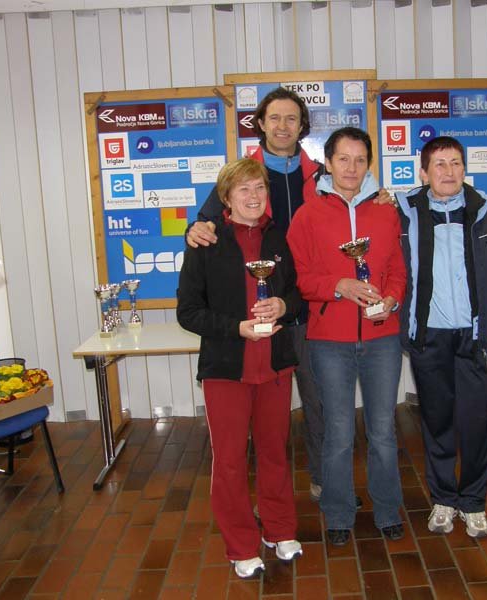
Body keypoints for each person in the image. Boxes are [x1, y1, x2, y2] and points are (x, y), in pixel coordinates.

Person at [186, 88, 388, 503]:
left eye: (291, 118)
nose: (282, 126)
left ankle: (323, 480)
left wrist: (383, 196)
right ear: (260, 123)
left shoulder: (319, 174)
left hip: (311, 311)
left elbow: (360, 201)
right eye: (274, 118)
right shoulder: (243, 174)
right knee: (259, 420)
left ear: (302, 126)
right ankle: (259, 494)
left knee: (319, 404)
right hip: (261, 318)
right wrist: (195, 228)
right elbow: (205, 223)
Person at [396, 136, 487, 539]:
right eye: (439, 164)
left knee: (475, 425)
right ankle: (442, 500)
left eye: (456, 162)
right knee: (437, 423)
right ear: (424, 173)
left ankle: (473, 503)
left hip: (476, 338)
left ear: (464, 169)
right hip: (430, 338)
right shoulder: (403, 213)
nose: (449, 171)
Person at [177, 159, 302, 579]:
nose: (253, 196)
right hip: (227, 368)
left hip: (275, 366)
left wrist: (283, 305)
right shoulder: (206, 241)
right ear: (226, 198)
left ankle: (279, 528)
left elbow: (297, 294)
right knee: (230, 460)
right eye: (243, 189)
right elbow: (187, 312)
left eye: (260, 188)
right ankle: (242, 545)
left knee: (274, 452)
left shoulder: (279, 238)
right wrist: (236, 328)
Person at [286, 127, 406, 546]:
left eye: (360, 160)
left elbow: (397, 269)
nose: (351, 168)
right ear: (328, 163)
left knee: (383, 430)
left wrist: (391, 299)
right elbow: (300, 278)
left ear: (369, 164)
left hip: (382, 337)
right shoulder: (308, 215)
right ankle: (337, 512)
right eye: (343, 159)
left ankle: (388, 509)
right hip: (329, 340)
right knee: (337, 430)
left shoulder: (387, 211)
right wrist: (339, 285)